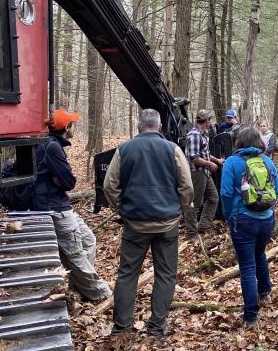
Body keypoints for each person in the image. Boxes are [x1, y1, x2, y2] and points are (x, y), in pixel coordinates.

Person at [103, 109, 194, 337]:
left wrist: (121, 208)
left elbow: (109, 186)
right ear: (160, 127)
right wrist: (179, 210)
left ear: (138, 127)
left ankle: (122, 327)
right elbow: (187, 187)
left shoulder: (124, 150)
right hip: (167, 223)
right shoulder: (172, 149)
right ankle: (157, 327)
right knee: (165, 274)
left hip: (135, 223)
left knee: (128, 274)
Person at [33, 110, 112, 302]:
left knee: (88, 240)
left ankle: (78, 286)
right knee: (75, 254)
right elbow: (69, 182)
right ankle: (102, 294)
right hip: (55, 208)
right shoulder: (52, 147)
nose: (73, 128)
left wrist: (60, 179)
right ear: (66, 128)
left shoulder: (51, 144)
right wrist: (61, 179)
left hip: (59, 204)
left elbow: (64, 180)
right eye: (71, 124)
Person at [220, 127, 278, 329]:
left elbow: (226, 194)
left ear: (239, 142)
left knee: (247, 266)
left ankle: (251, 316)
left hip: (242, 220)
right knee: (260, 254)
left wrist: (229, 216)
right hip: (266, 219)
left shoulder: (232, 162)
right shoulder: (268, 161)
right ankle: (266, 291)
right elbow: (277, 192)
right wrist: (267, 210)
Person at [184, 109, 224, 238]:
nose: (210, 122)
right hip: (196, 173)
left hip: (204, 172)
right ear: (206, 120)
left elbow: (204, 154)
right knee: (195, 204)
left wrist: (216, 160)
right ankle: (191, 234)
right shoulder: (194, 135)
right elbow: (193, 158)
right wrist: (209, 164)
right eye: (209, 120)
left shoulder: (201, 134)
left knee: (213, 198)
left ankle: (204, 226)